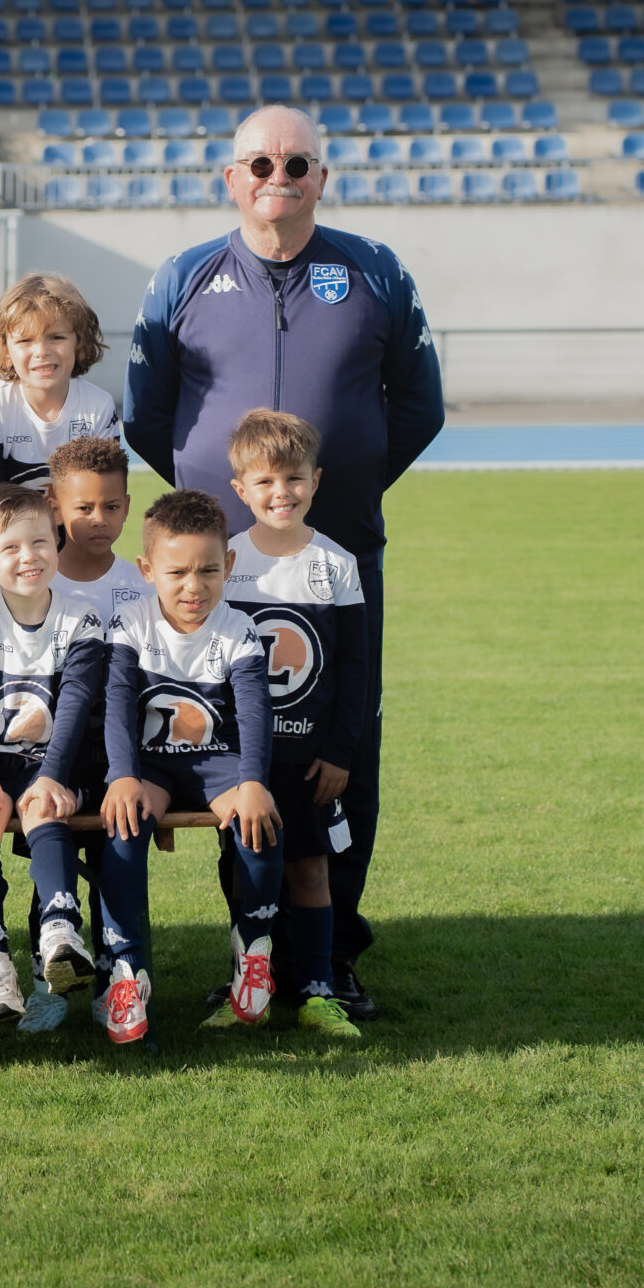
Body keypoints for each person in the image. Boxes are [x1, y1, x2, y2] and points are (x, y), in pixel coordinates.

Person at [122, 102, 445, 1020]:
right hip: (218, 578)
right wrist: (215, 510)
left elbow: (418, 408)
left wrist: (342, 497)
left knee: (343, 751)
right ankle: (254, 949)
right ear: (232, 178)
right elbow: (148, 415)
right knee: (239, 751)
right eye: (260, 164)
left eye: (297, 163)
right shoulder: (184, 276)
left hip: (336, 567)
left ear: (321, 177)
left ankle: (332, 954)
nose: (279, 177)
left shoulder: (376, 271)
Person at [96, 490, 275, 1047]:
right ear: (147, 569)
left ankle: (254, 954)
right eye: (176, 572)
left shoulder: (237, 628)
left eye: (208, 571)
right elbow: (118, 704)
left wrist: (254, 783)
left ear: (229, 565)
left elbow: (255, 712)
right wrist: (122, 776)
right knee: (122, 827)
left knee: (258, 824)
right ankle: (127, 974)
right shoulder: (131, 622)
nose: (193, 586)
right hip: (152, 766)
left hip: (218, 762)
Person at [0, 485, 108, 1031]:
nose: (28, 556)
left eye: (39, 541)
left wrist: (53, 775)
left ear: (57, 541)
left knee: (43, 806)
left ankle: (60, 927)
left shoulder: (81, 617)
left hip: (54, 761)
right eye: (10, 548)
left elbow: (77, 702)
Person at [222, 408, 367, 1039]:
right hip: (244, 763)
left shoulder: (337, 565)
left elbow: (356, 669)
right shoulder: (226, 561)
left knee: (311, 869)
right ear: (241, 489)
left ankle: (316, 989)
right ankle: (246, 986)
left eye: (294, 479)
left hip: (312, 762)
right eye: (265, 482)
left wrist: (340, 751)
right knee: (244, 870)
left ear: (316, 479)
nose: (281, 493)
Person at [0, 273, 119, 499]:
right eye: (25, 340)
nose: (41, 351)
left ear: (80, 344)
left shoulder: (98, 407)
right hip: (6, 522)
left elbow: (103, 502)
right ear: (5, 351)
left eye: (56, 337)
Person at [46, 435, 146, 628]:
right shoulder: (34, 589)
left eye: (111, 507)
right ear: (56, 511)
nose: (99, 520)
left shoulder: (145, 588)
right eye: (84, 508)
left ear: (126, 507)